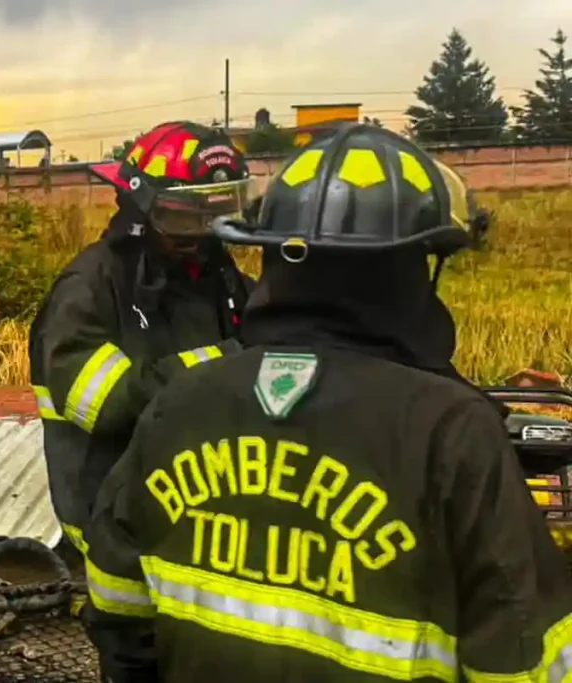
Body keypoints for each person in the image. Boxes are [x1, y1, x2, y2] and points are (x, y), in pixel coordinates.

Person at [81, 123, 572, 682]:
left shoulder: (178, 406)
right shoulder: (453, 433)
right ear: (416, 267)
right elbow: (526, 660)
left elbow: (117, 605)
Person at [29, 121, 258, 556]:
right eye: (184, 217)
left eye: (215, 214)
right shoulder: (90, 288)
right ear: (142, 210)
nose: (202, 233)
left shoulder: (220, 279)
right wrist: (230, 364)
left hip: (198, 510)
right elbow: (104, 403)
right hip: (113, 521)